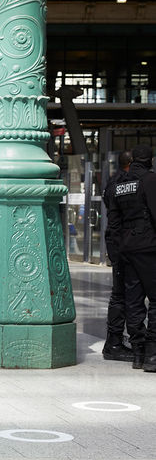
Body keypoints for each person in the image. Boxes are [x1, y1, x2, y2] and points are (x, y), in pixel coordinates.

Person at [107, 144, 156, 371]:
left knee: (133, 302)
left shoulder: (120, 185)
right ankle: (152, 354)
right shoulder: (150, 180)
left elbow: (114, 222)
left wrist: (116, 252)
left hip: (126, 249)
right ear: (150, 160)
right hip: (148, 247)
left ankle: (138, 353)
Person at [101, 150, 134, 362]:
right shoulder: (129, 184)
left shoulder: (111, 183)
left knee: (119, 293)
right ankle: (114, 342)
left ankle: (115, 339)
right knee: (122, 294)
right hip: (125, 243)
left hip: (115, 242)